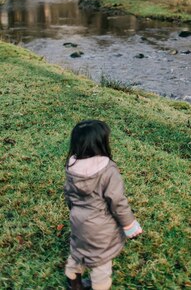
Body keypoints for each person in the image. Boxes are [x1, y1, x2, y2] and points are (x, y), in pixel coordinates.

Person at [64, 120, 142, 290]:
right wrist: (129, 225)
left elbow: (68, 195)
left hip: (78, 221)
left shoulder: (71, 167)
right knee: (101, 261)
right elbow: (117, 202)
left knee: (78, 251)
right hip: (101, 226)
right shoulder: (108, 170)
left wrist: (75, 212)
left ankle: (73, 281)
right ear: (101, 143)